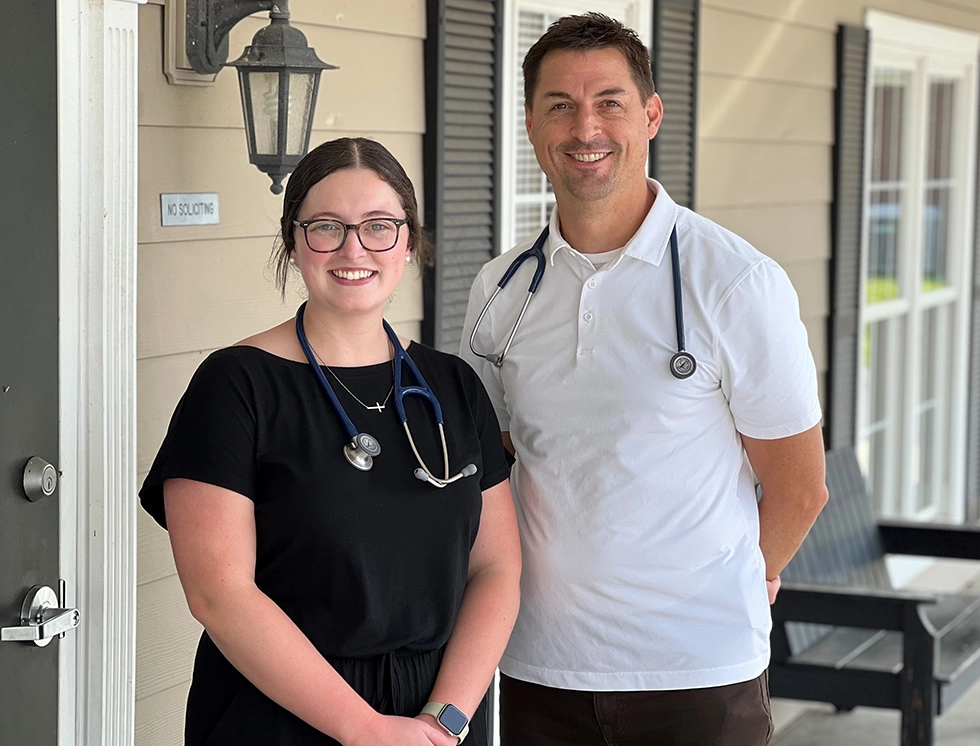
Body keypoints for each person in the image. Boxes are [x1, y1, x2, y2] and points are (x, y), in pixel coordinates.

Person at [460, 13, 828, 746]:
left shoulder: (736, 282)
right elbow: (498, 462)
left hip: (698, 674)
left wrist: (744, 580)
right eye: (559, 105)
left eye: (609, 103)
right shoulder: (501, 288)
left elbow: (798, 486)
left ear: (651, 115)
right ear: (531, 124)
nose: (584, 126)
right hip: (541, 667)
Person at [140, 137, 521, 746]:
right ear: (293, 243)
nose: (353, 249)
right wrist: (364, 730)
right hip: (279, 713)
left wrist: (445, 720)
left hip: (438, 717)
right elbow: (219, 593)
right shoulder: (235, 386)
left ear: (408, 241)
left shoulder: (454, 387)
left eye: (378, 226)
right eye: (326, 227)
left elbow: (497, 567)